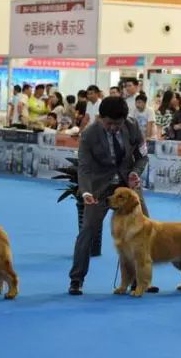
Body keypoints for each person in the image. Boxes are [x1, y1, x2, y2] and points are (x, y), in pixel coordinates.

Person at [68, 97, 151, 296]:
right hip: (100, 189)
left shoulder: (132, 127)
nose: (114, 127)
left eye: (118, 123)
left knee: (144, 230)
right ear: (100, 118)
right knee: (87, 230)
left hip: (127, 187)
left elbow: (142, 156)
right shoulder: (88, 134)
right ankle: (76, 279)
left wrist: (135, 173)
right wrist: (86, 192)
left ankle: (140, 282)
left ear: (125, 119)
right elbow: (85, 167)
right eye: (109, 123)